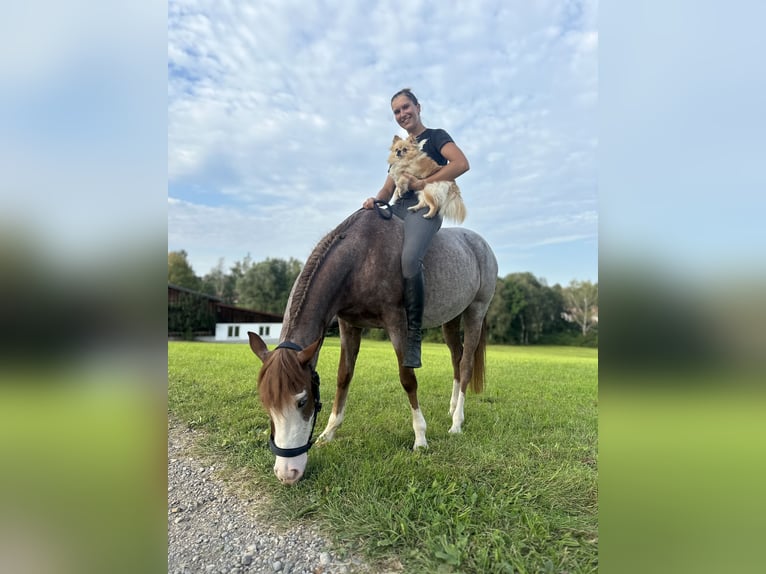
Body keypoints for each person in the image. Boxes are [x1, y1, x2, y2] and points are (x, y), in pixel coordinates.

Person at [362, 88, 470, 368]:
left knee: (410, 259)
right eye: (396, 111)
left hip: (425, 207)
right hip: (399, 205)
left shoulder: (436, 137)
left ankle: (413, 338)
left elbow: (461, 163)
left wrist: (424, 183)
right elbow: (388, 188)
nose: (402, 114)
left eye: (405, 107)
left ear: (418, 107)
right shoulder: (400, 147)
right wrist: (373, 201)